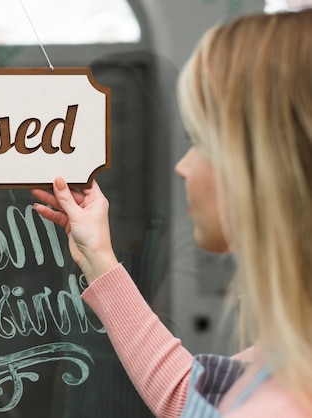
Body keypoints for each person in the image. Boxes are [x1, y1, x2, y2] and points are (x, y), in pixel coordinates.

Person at [32, 8, 312, 418]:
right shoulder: (289, 353)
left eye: (200, 140)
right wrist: (98, 257)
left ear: (265, 161)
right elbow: (191, 397)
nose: (183, 165)